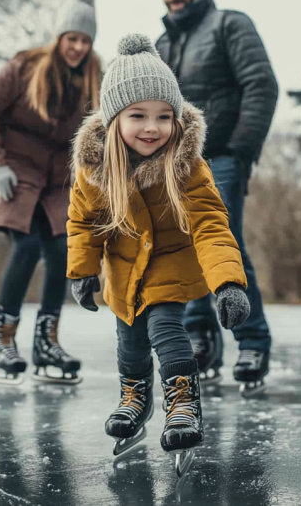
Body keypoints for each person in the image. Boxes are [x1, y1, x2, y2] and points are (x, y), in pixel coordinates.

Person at [67, 34, 250, 476]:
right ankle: (135, 395)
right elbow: (82, 224)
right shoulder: (94, 170)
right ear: (113, 120)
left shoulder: (186, 165)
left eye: (164, 116)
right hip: (123, 272)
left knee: (165, 326)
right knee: (129, 343)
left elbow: (210, 224)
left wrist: (227, 282)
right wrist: (82, 272)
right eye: (138, 116)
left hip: (171, 263)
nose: (152, 127)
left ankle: (183, 398)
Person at [156, 0, 279, 396]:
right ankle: (201, 339)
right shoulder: (161, 46)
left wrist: (241, 150)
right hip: (176, 165)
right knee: (181, 244)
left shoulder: (230, 25)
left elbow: (261, 85)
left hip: (224, 155)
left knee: (223, 240)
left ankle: (252, 342)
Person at [0, 0, 101, 385]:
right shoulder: (25, 66)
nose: (78, 47)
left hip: (58, 181)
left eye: (85, 40)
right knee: (26, 246)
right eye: (72, 38)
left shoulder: (95, 77)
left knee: (63, 250)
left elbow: (98, 132)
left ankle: (47, 341)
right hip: (15, 170)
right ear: (59, 36)